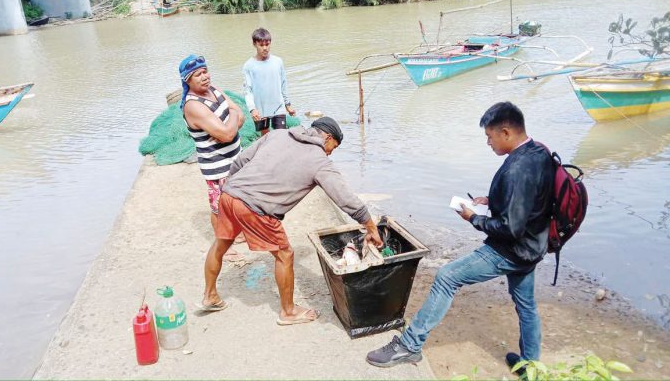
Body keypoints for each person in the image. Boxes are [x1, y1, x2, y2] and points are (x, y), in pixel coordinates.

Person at [366, 102, 554, 373]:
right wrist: (492, 200)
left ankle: (409, 346)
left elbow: (510, 228)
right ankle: (531, 366)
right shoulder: (539, 152)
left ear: (506, 132)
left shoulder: (516, 168)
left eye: (490, 137)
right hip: (534, 246)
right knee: (526, 304)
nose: (488, 143)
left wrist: (474, 218)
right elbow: (529, 200)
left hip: (510, 250)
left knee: (447, 277)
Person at [197, 117, 384, 326]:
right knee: (285, 254)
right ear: (328, 137)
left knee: (221, 243)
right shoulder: (320, 161)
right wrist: (369, 225)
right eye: (334, 147)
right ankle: (288, 311)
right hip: (256, 208)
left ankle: (210, 295)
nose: (331, 152)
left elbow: (241, 161)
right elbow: (344, 197)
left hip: (229, 194)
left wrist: (233, 187)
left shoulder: (277, 135)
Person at [180, 54, 246, 262]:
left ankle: (238, 233)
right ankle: (222, 246)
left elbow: (241, 117)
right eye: (197, 75)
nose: (204, 76)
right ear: (187, 80)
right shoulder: (193, 105)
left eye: (205, 71)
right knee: (219, 207)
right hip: (217, 166)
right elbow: (226, 134)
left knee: (237, 200)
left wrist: (231, 120)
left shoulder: (214, 90)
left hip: (235, 157)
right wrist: (232, 116)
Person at [242, 28, 296, 136]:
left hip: (278, 107)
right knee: (265, 138)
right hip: (260, 109)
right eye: (261, 45)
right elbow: (248, 91)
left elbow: (283, 84)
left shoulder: (278, 61)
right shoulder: (248, 66)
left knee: (280, 137)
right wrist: (252, 109)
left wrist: (288, 104)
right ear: (254, 44)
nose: (265, 48)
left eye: (267, 44)